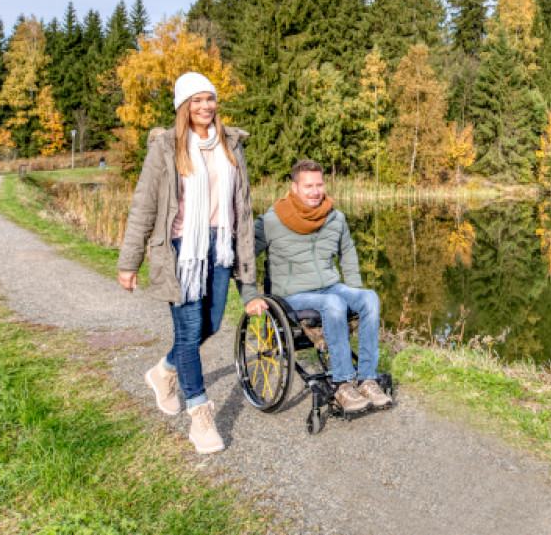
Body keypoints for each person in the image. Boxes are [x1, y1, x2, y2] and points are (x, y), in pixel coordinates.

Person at [117, 72, 255, 453]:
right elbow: (144, 204)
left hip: (220, 245)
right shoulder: (165, 147)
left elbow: (241, 205)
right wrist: (129, 261)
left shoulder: (231, 144)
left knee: (210, 324)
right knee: (190, 329)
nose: (205, 107)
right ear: (183, 106)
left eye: (209, 99)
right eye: (196, 100)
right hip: (182, 249)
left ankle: (164, 371)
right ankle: (200, 415)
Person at [241, 159, 392, 413]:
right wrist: (249, 295)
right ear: (294, 187)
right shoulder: (272, 220)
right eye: (308, 185)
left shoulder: (335, 218)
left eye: (319, 185)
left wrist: (354, 289)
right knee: (332, 304)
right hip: (291, 295)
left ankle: (367, 379)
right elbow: (243, 255)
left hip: (330, 286)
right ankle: (343, 383)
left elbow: (348, 250)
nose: (315, 191)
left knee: (369, 298)